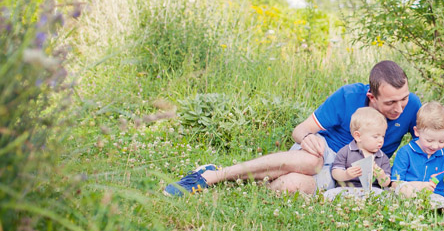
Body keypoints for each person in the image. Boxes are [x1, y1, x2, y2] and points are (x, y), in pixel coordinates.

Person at [164, 61, 421, 197]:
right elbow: (300, 130)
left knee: (291, 186)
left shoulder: (412, 107)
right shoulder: (347, 96)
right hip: (318, 155)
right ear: (371, 97)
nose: (399, 108)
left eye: (404, 99)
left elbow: (424, 143)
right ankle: (213, 176)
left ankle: (249, 182)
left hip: (348, 172)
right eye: (391, 102)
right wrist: (308, 138)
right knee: (311, 161)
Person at [391, 102, 444, 197]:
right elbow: (395, 184)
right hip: (411, 195)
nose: (435, 146)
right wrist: (419, 186)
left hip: (437, 198)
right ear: (417, 132)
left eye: (441, 141)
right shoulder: (406, 152)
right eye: (429, 140)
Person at [324, 107, 391, 200]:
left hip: (372, 191)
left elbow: (386, 183)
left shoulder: (382, 157)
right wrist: (346, 174)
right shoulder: (346, 151)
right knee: (329, 194)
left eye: (382, 136)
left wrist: (381, 175)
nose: (381, 140)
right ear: (358, 136)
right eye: (375, 137)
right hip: (347, 189)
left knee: (385, 195)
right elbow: (335, 172)